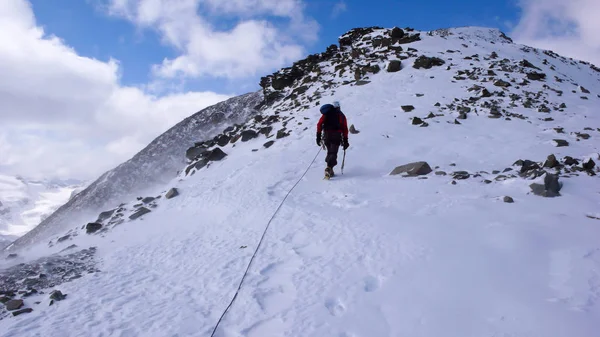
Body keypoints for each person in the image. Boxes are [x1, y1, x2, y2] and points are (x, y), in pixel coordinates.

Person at [316, 101, 349, 177]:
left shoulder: (326, 114)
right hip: (336, 135)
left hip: (326, 135)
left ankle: (330, 169)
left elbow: (319, 124)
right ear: (339, 107)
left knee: (330, 151)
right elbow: (344, 128)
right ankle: (329, 168)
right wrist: (345, 140)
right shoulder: (341, 115)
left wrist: (318, 136)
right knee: (333, 152)